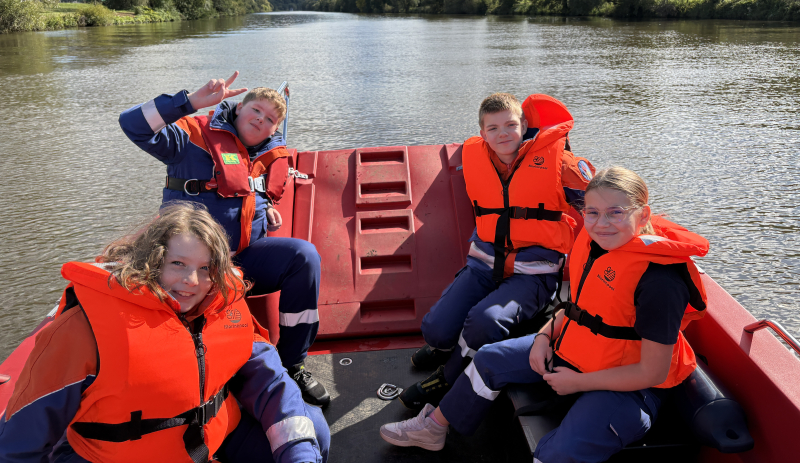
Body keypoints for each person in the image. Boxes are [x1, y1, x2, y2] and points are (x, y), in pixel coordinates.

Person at [380, 167, 709, 463]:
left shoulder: (659, 279)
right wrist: (543, 336)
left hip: (630, 385)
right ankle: (433, 429)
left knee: (557, 453)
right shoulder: (597, 246)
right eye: (592, 212)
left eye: (616, 213)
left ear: (643, 214)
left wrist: (578, 382)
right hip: (578, 353)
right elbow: (577, 310)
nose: (601, 223)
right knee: (490, 359)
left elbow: (651, 372)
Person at [0, 202, 330, 463]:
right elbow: (20, 441)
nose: (192, 282)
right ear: (151, 261)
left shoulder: (223, 304)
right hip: (116, 457)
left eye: (205, 269)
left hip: (212, 439)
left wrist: (299, 454)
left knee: (312, 433)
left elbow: (271, 381)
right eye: (178, 265)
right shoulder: (83, 329)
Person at [118, 72, 329, 406]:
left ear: (275, 130)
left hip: (243, 257)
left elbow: (247, 191)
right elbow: (132, 124)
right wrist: (187, 103)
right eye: (256, 110)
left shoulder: (265, 157)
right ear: (238, 108)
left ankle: (293, 365)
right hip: (189, 263)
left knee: (304, 257)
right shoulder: (191, 137)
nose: (261, 120)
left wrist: (266, 206)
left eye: (271, 119)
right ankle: (189, 370)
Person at [400, 93, 595, 409]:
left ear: (525, 126)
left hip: (533, 275)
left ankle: (447, 376)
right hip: (483, 266)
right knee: (435, 330)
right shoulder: (476, 157)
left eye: (511, 125)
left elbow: (604, 207)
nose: (502, 134)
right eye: (493, 128)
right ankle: (445, 346)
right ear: (482, 133)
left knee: (484, 322)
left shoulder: (559, 163)